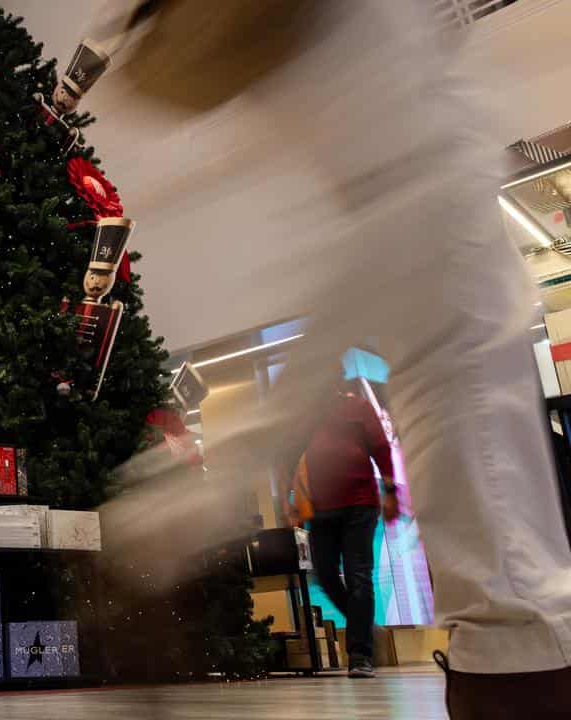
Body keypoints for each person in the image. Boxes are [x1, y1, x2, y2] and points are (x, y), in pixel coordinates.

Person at [90, 1, 571, 716]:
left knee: (499, 563)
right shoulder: (324, 45)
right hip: (434, 275)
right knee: (491, 556)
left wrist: (213, 488)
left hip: (441, 279)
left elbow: (398, 207)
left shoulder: (353, 39)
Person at [294, 382, 399, 679]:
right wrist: (294, 505)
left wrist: (390, 490)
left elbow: (381, 448)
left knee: (359, 575)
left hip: (360, 503)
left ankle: (360, 655)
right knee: (325, 574)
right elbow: (294, 457)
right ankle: (364, 627)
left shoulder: (358, 407)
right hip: (322, 508)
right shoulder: (307, 416)